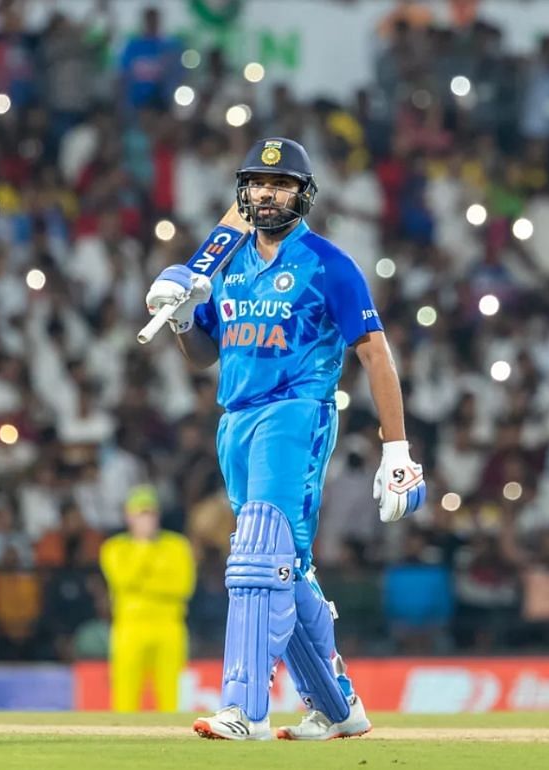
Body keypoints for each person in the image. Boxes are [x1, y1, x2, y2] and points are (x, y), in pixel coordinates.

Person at [144, 137, 426, 740]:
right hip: (235, 421)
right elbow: (203, 356)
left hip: (296, 414)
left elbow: (375, 353)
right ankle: (337, 706)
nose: (268, 194)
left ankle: (244, 708)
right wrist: (184, 314)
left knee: (256, 556)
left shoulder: (328, 264)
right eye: (258, 184)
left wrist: (397, 448)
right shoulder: (227, 264)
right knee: (282, 566)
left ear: (304, 196)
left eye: (282, 185)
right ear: (243, 193)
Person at [99, 485, 196, 712]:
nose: (146, 520)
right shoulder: (114, 548)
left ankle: (173, 742)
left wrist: (141, 585)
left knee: (171, 697)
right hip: (129, 628)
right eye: (140, 514)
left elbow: (182, 587)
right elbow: (122, 580)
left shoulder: (178, 546)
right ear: (128, 517)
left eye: (150, 513)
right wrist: (143, 548)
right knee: (125, 697)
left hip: (169, 627)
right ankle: (122, 740)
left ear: (158, 515)